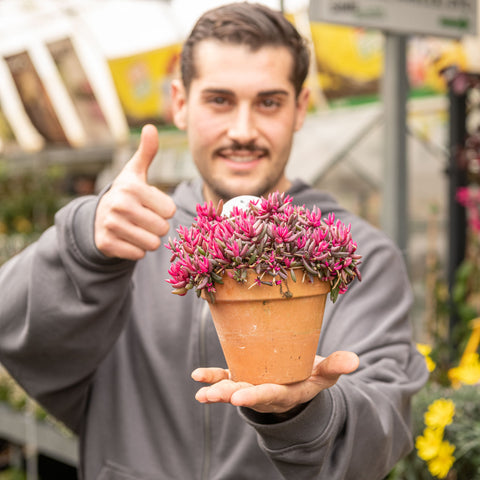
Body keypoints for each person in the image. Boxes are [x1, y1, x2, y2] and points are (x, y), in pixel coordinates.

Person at [0, 3, 428, 479]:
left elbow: (383, 423)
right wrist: (84, 243)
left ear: (300, 107)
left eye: (269, 102)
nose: (243, 131)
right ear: (180, 103)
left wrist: (299, 414)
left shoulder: (353, 252)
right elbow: (12, 326)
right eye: (219, 100)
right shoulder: (128, 232)